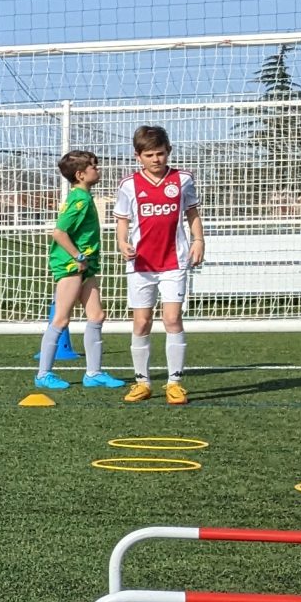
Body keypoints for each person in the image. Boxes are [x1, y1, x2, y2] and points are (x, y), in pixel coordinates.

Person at [112, 124, 203, 406]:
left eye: (160, 154)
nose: (156, 160)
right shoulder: (128, 185)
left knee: (172, 319)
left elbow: (192, 213)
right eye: (149, 155)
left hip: (173, 261)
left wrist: (198, 240)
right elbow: (122, 220)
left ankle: (175, 382)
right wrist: (122, 242)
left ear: (169, 152)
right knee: (141, 322)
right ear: (138, 156)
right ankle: (142, 382)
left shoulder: (183, 180)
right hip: (141, 263)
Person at [34, 150, 116, 391]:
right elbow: (59, 232)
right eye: (94, 166)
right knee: (61, 318)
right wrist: (77, 256)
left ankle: (94, 373)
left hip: (86, 265)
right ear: (81, 174)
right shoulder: (78, 200)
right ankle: (43, 374)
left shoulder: (84, 197)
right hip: (72, 266)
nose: (98, 170)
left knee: (97, 315)